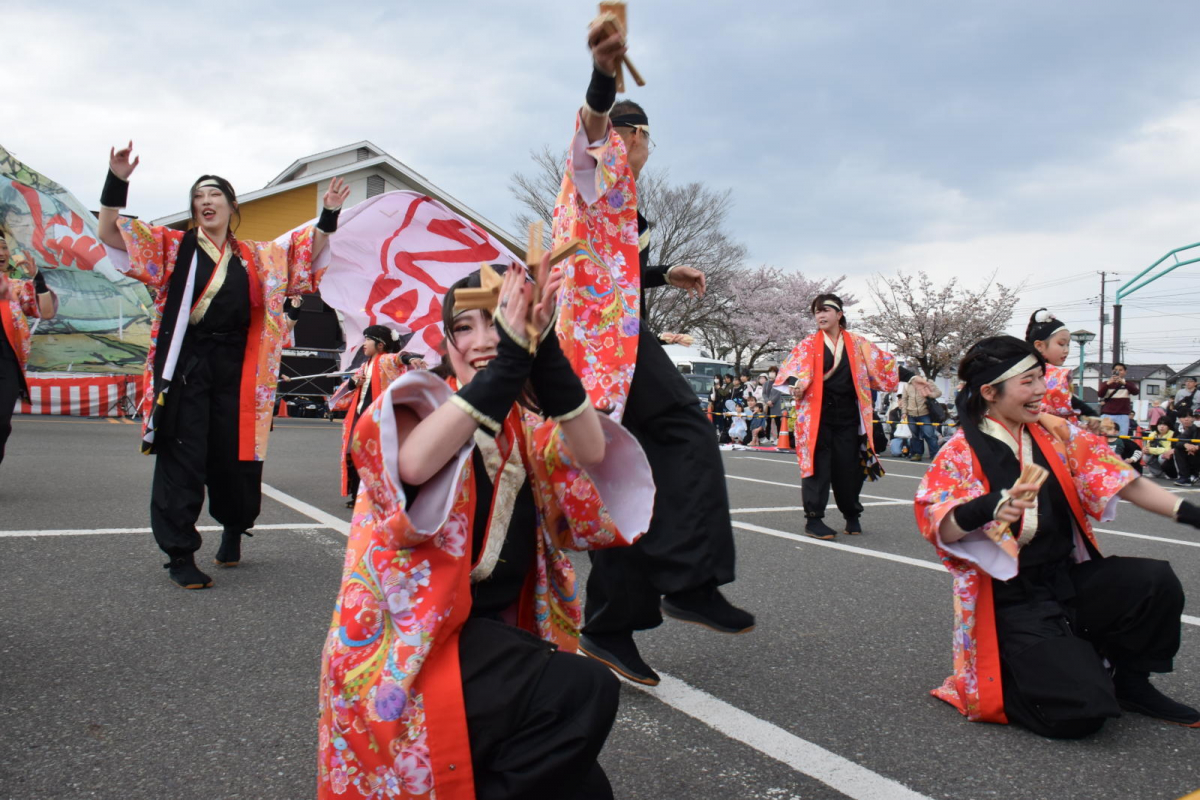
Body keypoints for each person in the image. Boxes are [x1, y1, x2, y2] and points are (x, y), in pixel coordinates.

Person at [318, 260, 652, 799]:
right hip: (410, 650)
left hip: (492, 635)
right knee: (583, 689)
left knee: (585, 786)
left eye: (496, 322)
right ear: (446, 343)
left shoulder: (524, 427)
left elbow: (590, 450)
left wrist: (545, 356)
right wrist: (510, 364)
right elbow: (413, 465)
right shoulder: (415, 404)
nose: (481, 341)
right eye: (464, 328)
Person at [548, 20, 754, 686]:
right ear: (634, 136)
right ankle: (688, 580)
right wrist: (605, 75)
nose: (642, 147)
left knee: (629, 485)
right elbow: (590, 129)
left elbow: (612, 267)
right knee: (685, 432)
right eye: (642, 136)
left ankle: (609, 626)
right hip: (602, 346)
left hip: (613, 342)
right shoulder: (600, 163)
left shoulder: (621, 200)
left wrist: (665, 274)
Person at [915, 335, 1200, 737]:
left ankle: (1130, 684)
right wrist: (990, 506)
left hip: (1067, 579)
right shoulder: (961, 451)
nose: (1041, 390)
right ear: (989, 392)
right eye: (1027, 382)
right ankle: (1009, 678)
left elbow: (1123, 479)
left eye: (1040, 378)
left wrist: (1190, 514)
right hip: (1012, 601)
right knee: (1082, 713)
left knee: (1154, 582)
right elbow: (938, 523)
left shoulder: (1056, 434)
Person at [97, 143, 350, 588]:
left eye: (215, 195)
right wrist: (117, 180)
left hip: (240, 367)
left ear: (232, 206)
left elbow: (305, 252)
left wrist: (328, 213)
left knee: (236, 459)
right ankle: (179, 553)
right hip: (189, 364)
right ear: (193, 208)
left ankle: (234, 527)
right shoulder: (172, 246)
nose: (206, 201)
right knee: (183, 457)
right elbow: (111, 233)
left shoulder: (258, 256)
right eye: (199, 196)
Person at [775, 294, 922, 539]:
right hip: (817, 414)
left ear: (839, 313)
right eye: (816, 312)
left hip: (849, 413)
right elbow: (788, 373)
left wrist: (913, 378)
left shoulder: (857, 343)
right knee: (818, 466)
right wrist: (796, 385)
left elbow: (883, 364)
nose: (820, 316)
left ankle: (851, 514)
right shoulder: (808, 344)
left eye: (825, 310)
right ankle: (814, 519)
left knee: (849, 466)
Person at [331, 325, 407, 507]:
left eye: (367, 340)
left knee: (374, 458)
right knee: (360, 457)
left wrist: (409, 357)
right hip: (363, 419)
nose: (364, 344)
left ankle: (374, 496)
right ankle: (359, 496)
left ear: (380, 345)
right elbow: (342, 397)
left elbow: (398, 359)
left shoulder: (385, 361)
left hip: (378, 421)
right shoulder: (365, 366)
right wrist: (352, 383)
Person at [0, 228, 58, 466]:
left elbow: (46, 312)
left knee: (1, 422)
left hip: (7, 363)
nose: (1, 252)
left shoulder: (16, 287)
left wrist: (38, 278)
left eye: (3, 247)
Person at [1024, 308, 1098, 425]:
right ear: (1039, 346)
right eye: (1061, 344)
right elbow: (1065, 397)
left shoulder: (1024, 370)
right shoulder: (1048, 373)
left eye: (1068, 345)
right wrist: (1091, 414)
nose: (1066, 350)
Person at [902, 370, 943, 462]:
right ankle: (917, 454)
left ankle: (935, 454)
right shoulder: (907, 385)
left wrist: (929, 395)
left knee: (929, 434)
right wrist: (904, 412)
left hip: (925, 413)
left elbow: (939, 393)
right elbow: (904, 399)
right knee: (915, 435)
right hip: (911, 413)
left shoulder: (927, 382)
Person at [1099, 362, 1139, 436]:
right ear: (1112, 371)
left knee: (1122, 436)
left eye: (1121, 370)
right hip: (1107, 414)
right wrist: (1108, 384)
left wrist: (1124, 383)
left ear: (1125, 372)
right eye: (1115, 370)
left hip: (1122, 415)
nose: (1118, 371)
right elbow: (1100, 394)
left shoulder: (1128, 384)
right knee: (1104, 436)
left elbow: (1135, 392)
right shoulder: (1106, 383)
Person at [1172, 410, 1200, 487]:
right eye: (1196, 417)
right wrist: (1186, 445)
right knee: (1178, 449)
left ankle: (1194, 474)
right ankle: (1185, 477)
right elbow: (1178, 440)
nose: (1198, 420)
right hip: (1194, 454)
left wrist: (1197, 447)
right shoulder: (1193, 428)